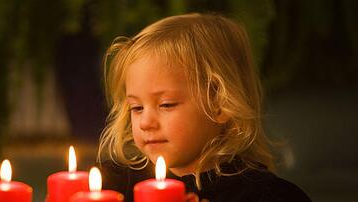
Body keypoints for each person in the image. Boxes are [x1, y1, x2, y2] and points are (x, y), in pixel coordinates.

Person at [97, 13, 311, 202]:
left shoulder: (266, 196)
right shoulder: (113, 186)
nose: (145, 122)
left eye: (166, 104)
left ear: (220, 104)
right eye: (136, 107)